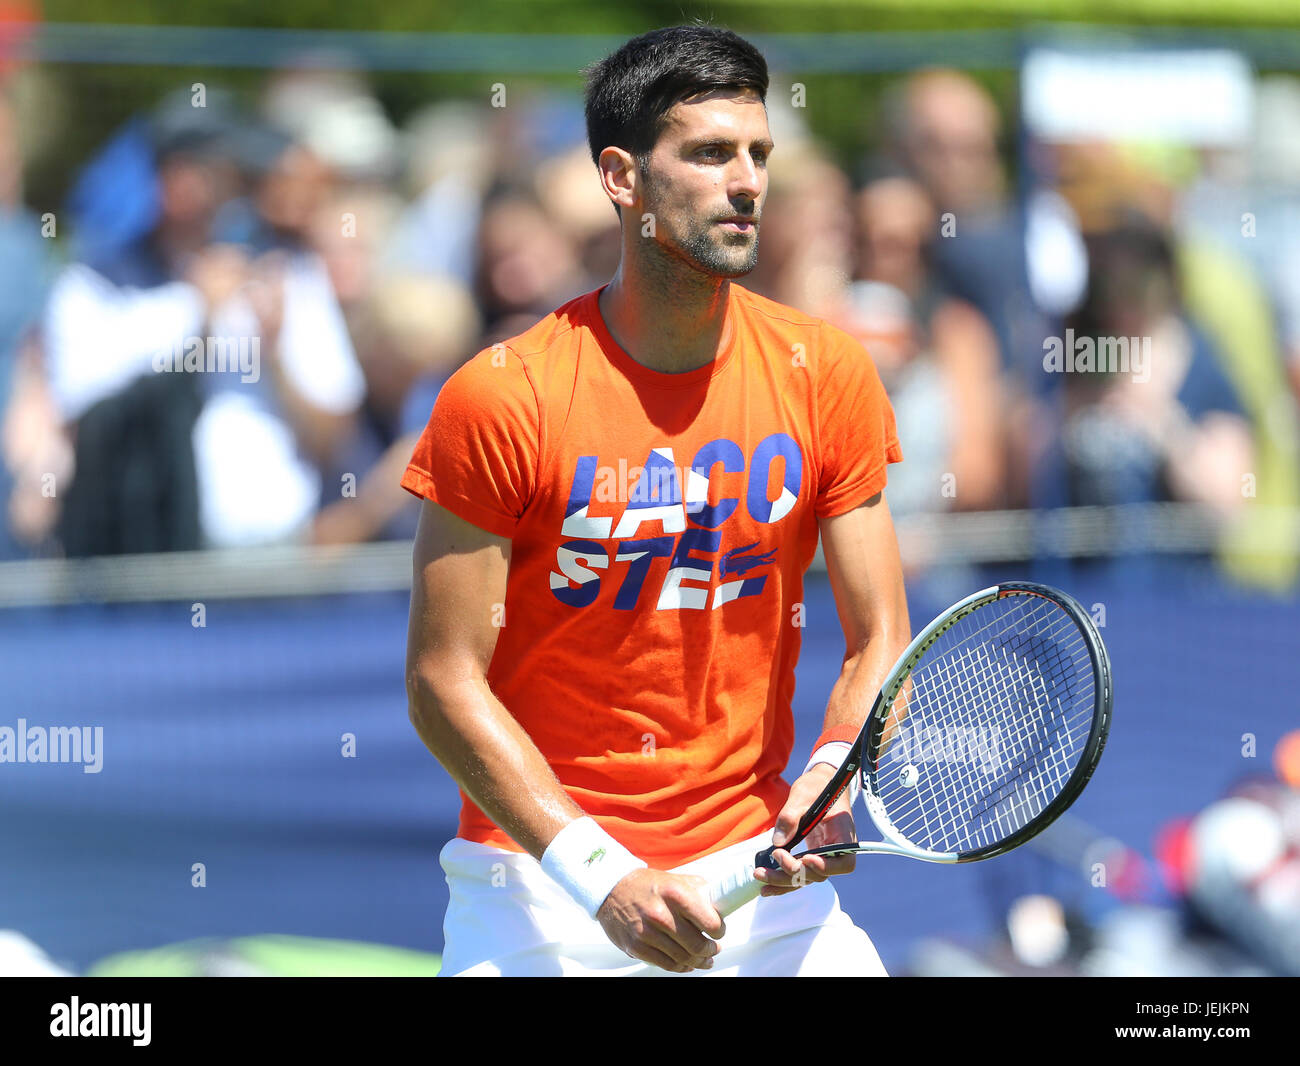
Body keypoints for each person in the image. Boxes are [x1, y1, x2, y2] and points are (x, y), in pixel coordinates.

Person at [402, 25, 909, 977]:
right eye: (710, 154)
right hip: (539, 890)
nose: (748, 181)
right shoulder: (503, 394)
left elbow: (880, 635)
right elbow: (441, 681)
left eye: (759, 153)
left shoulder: (826, 371)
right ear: (621, 179)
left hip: (758, 888)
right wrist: (602, 877)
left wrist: (837, 765)